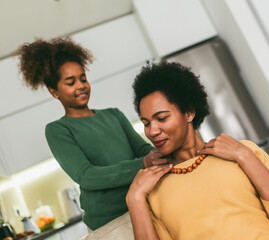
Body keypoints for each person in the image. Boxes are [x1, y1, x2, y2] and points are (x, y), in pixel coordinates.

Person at [126, 61, 269, 240]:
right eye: (146, 123)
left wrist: (243, 155)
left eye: (162, 118)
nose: (152, 131)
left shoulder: (242, 153)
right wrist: (135, 199)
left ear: (189, 113)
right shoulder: (153, 188)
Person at [15, 38, 168, 230]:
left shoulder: (114, 115)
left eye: (83, 78)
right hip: (108, 222)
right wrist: (143, 163)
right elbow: (86, 176)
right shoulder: (58, 130)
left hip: (146, 205)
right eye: (71, 82)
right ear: (54, 92)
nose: (80, 85)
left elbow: (143, 150)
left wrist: (163, 153)